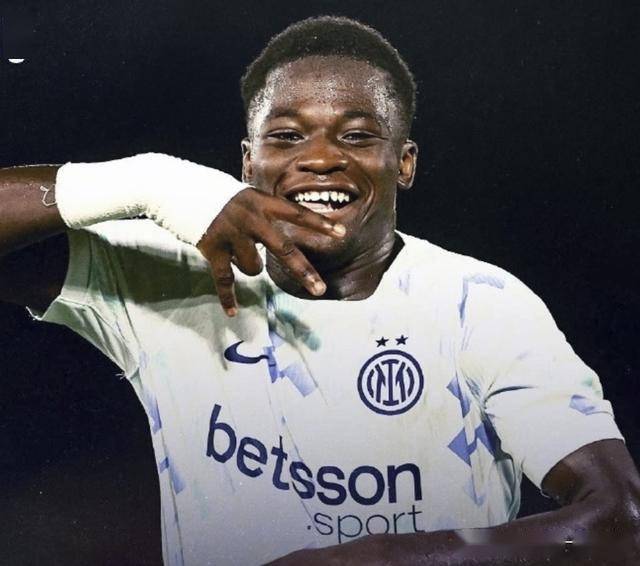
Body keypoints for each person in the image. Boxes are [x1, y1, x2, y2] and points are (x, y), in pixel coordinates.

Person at [0, 15, 638, 566]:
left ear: (404, 162)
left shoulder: (481, 305)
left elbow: (619, 522)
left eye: (357, 135)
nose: (321, 158)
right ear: (246, 162)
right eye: (286, 136)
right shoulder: (166, 278)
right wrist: (151, 182)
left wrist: (375, 558)